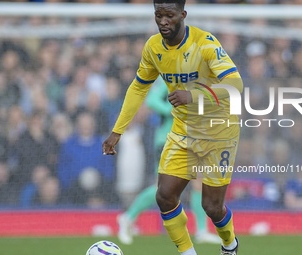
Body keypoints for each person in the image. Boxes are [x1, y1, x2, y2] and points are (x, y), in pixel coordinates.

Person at [103, 1, 243, 254]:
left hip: (218, 132)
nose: (163, 21)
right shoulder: (153, 47)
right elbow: (138, 87)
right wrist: (117, 130)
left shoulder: (205, 43)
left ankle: (229, 244)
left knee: (211, 206)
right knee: (164, 196)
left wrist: (194, 96)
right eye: (159, 15)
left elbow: (236, 85)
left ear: (182, 15)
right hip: (183, 131)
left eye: (170, 15)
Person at [117, 77, 221, 245]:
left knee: (197, 182)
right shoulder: (168, 75)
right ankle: (127, 217)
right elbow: (152, 100)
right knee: (163, 188)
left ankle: (202, 231)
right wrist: (171, 110)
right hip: (168, 138)